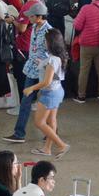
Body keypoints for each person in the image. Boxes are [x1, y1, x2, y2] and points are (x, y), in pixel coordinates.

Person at [2, 2, 52, 143]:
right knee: (26, 101)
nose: (28, 18)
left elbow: (53, 54)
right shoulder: (35, 27)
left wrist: (43, 64)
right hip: (31, 70)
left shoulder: (49, 31)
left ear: (39, 17)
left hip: (44, 72)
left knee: (47, 103)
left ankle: (50, 132)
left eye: (31, 16)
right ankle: (19, 133)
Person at [24, 28, 70, 158]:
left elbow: (46, 82)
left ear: (51, 43)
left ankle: (61, 145)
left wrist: (31, 88)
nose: (44, 43)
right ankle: (47, 149)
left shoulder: (52, 60)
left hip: (49, 94)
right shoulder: (59, 57)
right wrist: (43, 63)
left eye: (45, 41)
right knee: (51, 121)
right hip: (57, 91)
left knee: (39, 122)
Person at [4, 0, 38, 103]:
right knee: (33, 74)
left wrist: (13, 20)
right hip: (34, 44)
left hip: (23, 45)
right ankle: (32, 101)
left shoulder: (27, 7)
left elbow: (22, 28)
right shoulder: (39, 3)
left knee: (21, 75)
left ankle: (23, 103)